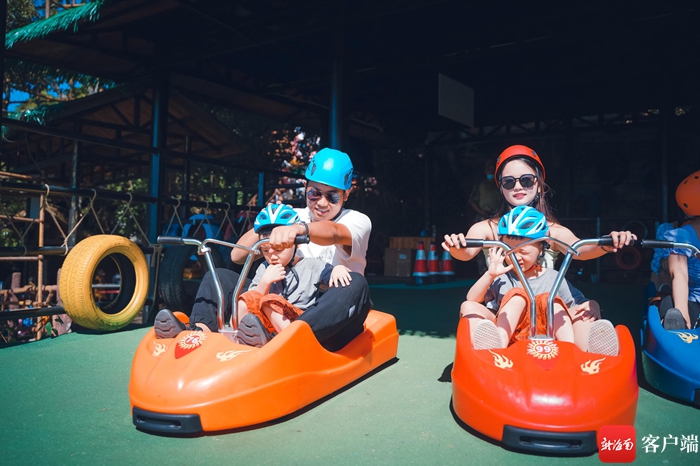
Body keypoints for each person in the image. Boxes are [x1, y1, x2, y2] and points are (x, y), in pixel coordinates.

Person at [155, 148, 372, 352]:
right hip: (282, 302)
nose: (322, 203)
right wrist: (266, 225)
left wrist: (298, 229)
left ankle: (295, 336)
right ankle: (199, 332)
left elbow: (334, 232)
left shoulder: (357, 221)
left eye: (332, 196)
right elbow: (237, 256)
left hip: (328, 311)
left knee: (356, 284)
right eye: (314, 193)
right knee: (219, 276)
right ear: (306, 188)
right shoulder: (292, 215)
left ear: (346, 194)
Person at [443, 144, 634, 348]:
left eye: (526, 180)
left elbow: (578, 249)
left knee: (581, 310)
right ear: (501, 187)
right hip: (505, 316)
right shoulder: (489, 227)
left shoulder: (551, 229)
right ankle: (489, 349)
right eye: (509, 182)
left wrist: (607, 243)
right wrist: (456, 246)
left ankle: (587, 350)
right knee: (469, 307)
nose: (517, 187)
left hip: (549, 312)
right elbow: (466, 252)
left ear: (539, 184)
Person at [467, 207, 619, 355]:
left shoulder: (554, 278)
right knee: (512, 298)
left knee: (558, 304)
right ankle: (495, 345)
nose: (516, 257)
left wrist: (593, 305)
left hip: (553, 338)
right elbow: (472, 299)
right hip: (511, 339)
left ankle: (584, 350)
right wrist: (490, 274)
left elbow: (578, 305)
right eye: (509, 252)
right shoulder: (502, 277)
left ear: (541, 249)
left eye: (523, 251)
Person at [235, 204, 352, 346]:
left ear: (297, 244)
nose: (272, 256)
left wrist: (338, 269)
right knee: (243, 301)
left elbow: (331, 275)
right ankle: (246, 340)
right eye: (265, 250)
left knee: (270, 300)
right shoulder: (264, 268)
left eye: (278, 249)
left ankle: (292, 342)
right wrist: (264, 282)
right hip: (269, 324)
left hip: (299, 321)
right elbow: (252, 300)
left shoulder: (311, 265)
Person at [657, 171, 700, 330]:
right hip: (694, 301)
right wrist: (682, 312)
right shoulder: (682, 236)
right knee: (669, 306)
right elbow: (679, 274)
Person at [469, 160, 501, 274]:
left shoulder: (500, 184)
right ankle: (483, 271)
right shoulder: (480, 185)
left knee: (499, 244)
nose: (490, 171)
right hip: (483, 216)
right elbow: (472, 200)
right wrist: (482, 212)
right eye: (488, 168)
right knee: (480, 245)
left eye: (493, 169)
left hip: (498, 218)